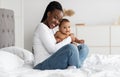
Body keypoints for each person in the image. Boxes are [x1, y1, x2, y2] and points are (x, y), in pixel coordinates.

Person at [33, 1, 89, 70]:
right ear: (48, 14)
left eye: (59, 20)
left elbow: (58, 46)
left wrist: (72, 43)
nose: (57, 22)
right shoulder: (41, 27)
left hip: (55, 58)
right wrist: (69, 39)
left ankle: (73, 64)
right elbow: (52, 50)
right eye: (55, 17)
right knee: (71, 48)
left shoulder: (51, 29)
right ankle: (75, 65)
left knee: (84, 48)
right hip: (42, 64)